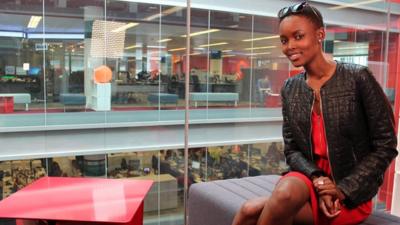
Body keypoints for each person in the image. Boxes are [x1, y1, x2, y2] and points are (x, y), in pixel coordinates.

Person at [232, 2, 398, 225]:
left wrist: (340, 190)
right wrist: (318, 179)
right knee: (250, 206)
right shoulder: (291, 88)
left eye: (298, 36)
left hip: (349, 191)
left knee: (252, 213)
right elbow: (292, 150)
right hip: (309, 177)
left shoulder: (358, 78)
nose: (290, 46)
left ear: (320, 35)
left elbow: (386, 145)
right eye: (284, 40)